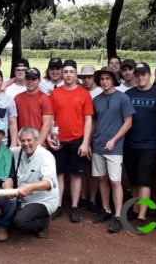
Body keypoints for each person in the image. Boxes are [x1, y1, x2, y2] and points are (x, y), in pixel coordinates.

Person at [90, 66, 135, 233]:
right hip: (98, 145)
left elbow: (128, 122)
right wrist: (89, 142)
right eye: (102, 79)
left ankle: (118, 216)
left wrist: (114, 140)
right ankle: (106, 210)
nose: (104, 82)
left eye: (107, 79)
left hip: (115, 147)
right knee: (102, 179)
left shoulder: (123, 98)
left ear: (113, 80)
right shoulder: (96, 99)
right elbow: (94, 123)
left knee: (115, 181)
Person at [124, 62, 156, 228]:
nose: (140, 77)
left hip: (150, 144)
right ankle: (135, 210)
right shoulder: (128, 94)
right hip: (130, 144)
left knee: (144, 181)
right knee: (134, 181)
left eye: (143, 74)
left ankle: (142, 215)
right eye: (137, 74)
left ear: (150, 75)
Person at [48, 59, 94, 223]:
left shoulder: (83, 94)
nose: (68, 75)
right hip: (58, 139)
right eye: (65, 72)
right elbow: (50, 117)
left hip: (77, 139)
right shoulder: (55, 93)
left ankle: (74, 207)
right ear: (62, 73)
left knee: (76, 175)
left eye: (71, 72)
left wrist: (85, 143)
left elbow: (88, 119)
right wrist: (48, 135)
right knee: (59, 174)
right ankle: (58, 206)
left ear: (76, 74)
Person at [12, 127, 59, 238]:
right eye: (23, 140)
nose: (26, 143)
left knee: (20, 222)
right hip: (22, 198)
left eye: (29, 140)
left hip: (43, 200)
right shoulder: (16, 152)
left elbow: (48, 183)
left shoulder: (46, 156)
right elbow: (0, 150)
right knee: (8, 219)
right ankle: (23, 212)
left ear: (37, 140)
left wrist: (30, 187)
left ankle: (44, 221)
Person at [77, 64, 103, 214]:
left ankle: (93, 199)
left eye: (89, 77)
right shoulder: (79, 91)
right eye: (84, 77)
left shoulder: (100, 92)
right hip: (80, 134)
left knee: (94, 170)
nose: (87, 80)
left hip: (97, 135)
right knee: (81, 169)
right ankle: (83, 197)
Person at [13, 67, 53, 144]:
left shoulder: (44, 98)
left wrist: (39, 144)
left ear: (39, 81)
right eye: (28, 79)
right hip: (22, 140)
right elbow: (14, 122)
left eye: (33, 79)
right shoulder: (17, 98)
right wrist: (17, 140)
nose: (30, 81)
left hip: (38, 140)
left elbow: (47, 124)